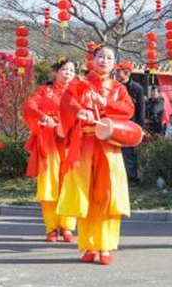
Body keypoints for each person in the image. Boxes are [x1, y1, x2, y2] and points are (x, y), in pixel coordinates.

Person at [58, 45, 141, 265]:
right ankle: (89, 245)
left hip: (109, 146)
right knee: (85, 194)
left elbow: (128, 110)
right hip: (85, 143)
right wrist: (80, 111)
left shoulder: (118, 88)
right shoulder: (79, 84)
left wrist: (106, 103)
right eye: (101, 56)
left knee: (107, 194)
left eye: (109, 58)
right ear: (93, 60)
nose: (104, 60)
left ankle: (105, 246)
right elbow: (67, 102)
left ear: (114, 64)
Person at [23, 59, 79, 243]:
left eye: (71, 70)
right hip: (49, 140)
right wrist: (43, 116)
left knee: (70, 182)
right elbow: (29, 106)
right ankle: (51, 227)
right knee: (49, 183)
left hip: (71, 140)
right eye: (64, 69)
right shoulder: (44, 91)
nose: (68, 73)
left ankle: (67, 226)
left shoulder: (79, 92)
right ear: (55, 72)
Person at [115, 62, 147, 185]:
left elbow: (141, 110)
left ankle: (132, 180)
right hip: (116, 124)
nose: (117, 73)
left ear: (127, 73)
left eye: (119, 71)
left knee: (129, 153)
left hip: (131, 125)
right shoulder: (114, 86)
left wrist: (141, 128)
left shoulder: (137, 88)